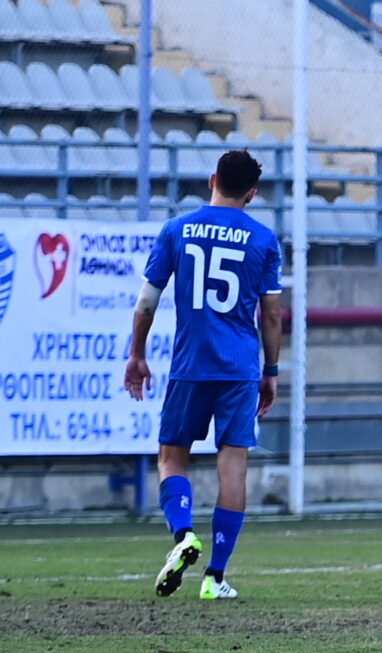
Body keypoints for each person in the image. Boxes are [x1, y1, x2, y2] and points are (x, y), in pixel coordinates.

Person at [124, 148, 284, 600]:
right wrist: (270, 371)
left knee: (172, 457)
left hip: (190, 364)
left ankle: (183, 535)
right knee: (232, 464)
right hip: (238, 368)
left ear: (211, 179)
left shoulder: (176, 230)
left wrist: (137, 353)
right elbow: (271, 317)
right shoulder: (263, 239)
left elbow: (147, 302)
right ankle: (215, 577)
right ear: (251, 194)